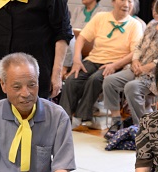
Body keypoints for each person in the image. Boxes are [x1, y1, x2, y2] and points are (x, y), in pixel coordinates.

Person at [102, 0, 158, 125]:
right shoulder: (152, 25)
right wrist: (135, 60)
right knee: (110, 81)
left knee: (132, 87)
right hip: (138, 69)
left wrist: (150, 66)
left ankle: (144, 127)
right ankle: (116, 122)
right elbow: (139, 46)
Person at [60, 0, 143, 128]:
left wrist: (115, 65)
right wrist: (76, 60)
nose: (126, 4)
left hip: (115, 63)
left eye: (130, 1)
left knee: (95, 79)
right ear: (113, 2)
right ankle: (64, 119)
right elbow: (81, 37)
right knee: (72, 79)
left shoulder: (135, 25)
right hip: (93, 59)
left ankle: (82, 116)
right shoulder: (101, 17)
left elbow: (135, 53)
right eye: (122, 0)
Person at [0, 0, 73, 102]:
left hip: (37, 68)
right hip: (1, 65)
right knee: (2, 113)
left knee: (37, 114)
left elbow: (62, 32)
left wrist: (57, 73)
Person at [62, 0, 113, 79]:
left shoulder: (102, 12)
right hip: (75, 46)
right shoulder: (78, 9)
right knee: (66, 37)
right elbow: (70, 28)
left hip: (91, 49)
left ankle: (64, 68)